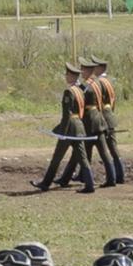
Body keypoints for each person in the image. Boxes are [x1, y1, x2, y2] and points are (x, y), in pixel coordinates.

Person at [38, 63, 93, 193]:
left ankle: (45, 183)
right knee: (83, 158)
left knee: (57, 157)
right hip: (79, 126)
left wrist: (62, 132)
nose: (65, 77)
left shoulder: (69, 91)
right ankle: (89, 185)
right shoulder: (79, 90)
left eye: (67, 74)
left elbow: (66, 114)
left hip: (70, 128)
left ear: (71, 76)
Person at [88, 59, 125, 187]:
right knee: (113, 148)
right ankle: (120, 175)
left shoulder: (99, 82)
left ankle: (115, 176)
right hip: (110, 114)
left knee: (109, 148)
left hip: (103, 116)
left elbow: (98, 102)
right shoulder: (108, 81)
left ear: (99, 68)